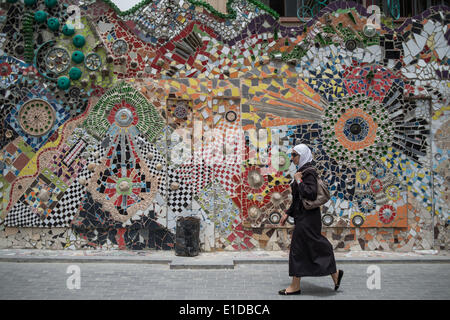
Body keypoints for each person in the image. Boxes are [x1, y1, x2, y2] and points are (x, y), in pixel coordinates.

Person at [278, 143, 343, 295]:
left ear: (302, 155)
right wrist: (287, 213)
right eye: (291, 155)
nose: (292, 158)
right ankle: (335, 274)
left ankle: (295, 286)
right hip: (303, 216)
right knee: (312, 246)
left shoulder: (308, 172)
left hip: (308, 217)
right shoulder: (301, 171)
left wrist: (299, 181)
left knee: (298, 248)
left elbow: (311, 194)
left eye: (294, 155)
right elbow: (297, 199)